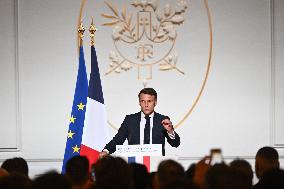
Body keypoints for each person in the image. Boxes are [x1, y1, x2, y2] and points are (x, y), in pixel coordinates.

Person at [100, 88, 180, 157]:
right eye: (143, 101)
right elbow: (118, 139)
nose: (146, 105)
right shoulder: (130, 120)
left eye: (149, 101)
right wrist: (106, 151)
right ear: (139, 102)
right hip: (135, 165)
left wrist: (170, 131)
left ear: (155, 102)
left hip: (156, 165)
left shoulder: (163, 120)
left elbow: (175, 144)